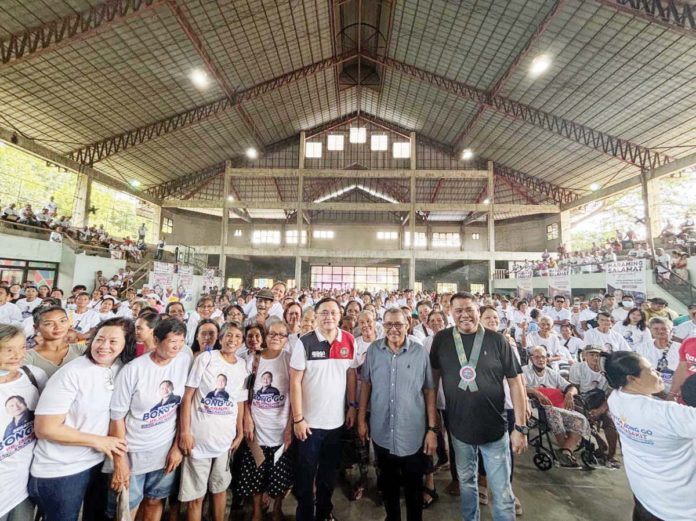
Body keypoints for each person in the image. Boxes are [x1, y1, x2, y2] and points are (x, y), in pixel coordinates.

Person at [430, 292, 527, 521]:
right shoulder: (442, 339)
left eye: (469, 309)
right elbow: (433, 381)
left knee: (502, 492)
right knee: (466, 484)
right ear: (450, 313)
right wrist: (433, 422)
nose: (464, 315)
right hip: (459, 429)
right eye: (458, 310)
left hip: (494, 429)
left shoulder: (497, 340)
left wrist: (520, 427)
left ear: (478, 311)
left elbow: (515, 383)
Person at [28, 318, 136, 521]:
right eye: (99, 339)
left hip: (96, 463)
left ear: (125, 345)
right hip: (62, 469)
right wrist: (100, 441)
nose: (103, 346)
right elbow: (45, 428)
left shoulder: (120, 368)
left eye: (113, 341)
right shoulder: (73, 373)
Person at [358, 307, 437, 521]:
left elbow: (429, 390)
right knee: (388, 485)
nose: (393, 329)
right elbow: (366, 383)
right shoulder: (374, 350)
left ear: (407, 326)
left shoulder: (419, 352)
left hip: (413, 433)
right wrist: (361, 419)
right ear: (382, 326)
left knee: (413, 487)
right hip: (382, 432)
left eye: (398, 324)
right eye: (388, 325)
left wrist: (432, 429)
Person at [108, 319, 191, 519]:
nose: (177, 346)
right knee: (128, 507)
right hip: (134, 450)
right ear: (156, 339)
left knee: (155, 500)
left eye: (181, 341)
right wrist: (121, 460)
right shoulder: (133, 370)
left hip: (164, 450)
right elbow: (117, 417)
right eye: (172, 341)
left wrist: (177, 447)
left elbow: (181, 408)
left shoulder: (183, 361)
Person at [604, 350, 696, 520]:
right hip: (680, 509)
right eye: (652, 370)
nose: (658, 373)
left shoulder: (615, 399)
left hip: (644, 496)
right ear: (631, 379)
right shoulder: (668, 414)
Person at [290, 297, 359, 521]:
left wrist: (352, 405)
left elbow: (351, 374)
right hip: (309, 425)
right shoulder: (305, 342)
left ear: (340, 315)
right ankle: (305, 515)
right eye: (323, 313)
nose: (328, 317)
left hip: (336, 423)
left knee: (328, 475)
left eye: (333, 312)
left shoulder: (349, 340)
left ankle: (324, 512)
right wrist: (298, 418)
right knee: (306, 474)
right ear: (316, 316)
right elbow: (295, 382)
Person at [179, 321, 248, 521]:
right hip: (198, 439)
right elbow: (188, 396)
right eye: (228, 335)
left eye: (237, 336)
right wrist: (185, 432)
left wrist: (240, 431)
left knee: (220, 490)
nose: (232, 340)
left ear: (242, 341)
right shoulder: (207, 359)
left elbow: (240, 400)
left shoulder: (242, 365)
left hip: (224, 440)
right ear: (220, 338)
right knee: (196, 497)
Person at [239, 321, 293, 521]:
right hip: (256, 427)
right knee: (256, 471)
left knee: (280, 473)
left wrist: (290, 426)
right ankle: (257, 510)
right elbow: (243, 393)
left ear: (287, 338)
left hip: (280, 428)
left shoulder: (289, 360)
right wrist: (246, 418)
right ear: (265, 336)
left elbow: (294, 395)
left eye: (281, 334)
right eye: (272, 334)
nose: (276, 338)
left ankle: (277, 508)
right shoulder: (253, 360)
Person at [0, 325, 48, 521]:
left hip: (24, 484)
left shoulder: (34, 376)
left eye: (21, 347)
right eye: (9, 349)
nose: (17, 355)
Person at [523, 346, 590, 468]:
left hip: (557, 407)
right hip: (537, 408)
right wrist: (536, 392)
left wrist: (569, 394)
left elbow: (571, 387)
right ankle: (565, 454)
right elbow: (520, 387)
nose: (541, 360)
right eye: (537, 357)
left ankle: (566, 451)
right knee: (553, 413)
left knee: (579, 419)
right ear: (531, 358)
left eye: (543, 357)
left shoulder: (552, 373)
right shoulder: (524, 371)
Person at [568, 345, 620, 468]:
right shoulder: (577, 367)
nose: (595, 357)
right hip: (582, 400)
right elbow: (575, 388)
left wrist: (600, 410)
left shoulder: (608, 371)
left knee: (610, 420)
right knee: (581, 415)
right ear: (584, 355)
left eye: (598, 355)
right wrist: (571, 395)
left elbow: (611, 396)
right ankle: (598, 441)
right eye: (591, 354)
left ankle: (611, 456)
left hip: (602, 401)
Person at [24, 306, 87, 379]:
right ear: (36, 328)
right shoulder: (28, 357)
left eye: (62, 321)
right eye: (49, 323)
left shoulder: (81, 349)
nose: (58, 327)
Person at [634, 317, 680, 395]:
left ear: (671, 331)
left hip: (674, 391)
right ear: (651, 330)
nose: (660, 331)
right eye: (656, 329)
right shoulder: (642, 348)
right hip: (649, 389)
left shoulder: (680, 348)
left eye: (664, 328)